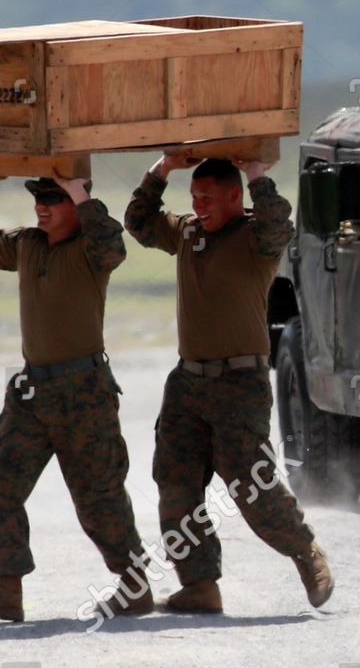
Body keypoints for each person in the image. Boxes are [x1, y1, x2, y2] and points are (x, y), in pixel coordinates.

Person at [124, 153, 333, 614]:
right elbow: (138, 222)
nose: (199, 206)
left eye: (208, 197)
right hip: (186, 383)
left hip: (240, 382)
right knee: (175, 484)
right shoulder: (187, 233)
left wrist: (257, 171)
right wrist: (163, 168)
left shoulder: (257, 238)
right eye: (194, 197)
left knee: (251, 486)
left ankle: (306, 554)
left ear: (236, 197)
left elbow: (281, 222)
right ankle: (199, 584)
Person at [0, 174, 149, 622]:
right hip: (31, 392)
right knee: (0, 491)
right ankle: (7, 591)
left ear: (75, 204)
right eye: (39, 200)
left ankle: (134, 586)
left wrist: (81, 193)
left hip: (84, 392)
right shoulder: (27, 244)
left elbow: (114, 245)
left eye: (53, 200)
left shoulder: (91, 251)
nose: (42, 208)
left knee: (99, 498)